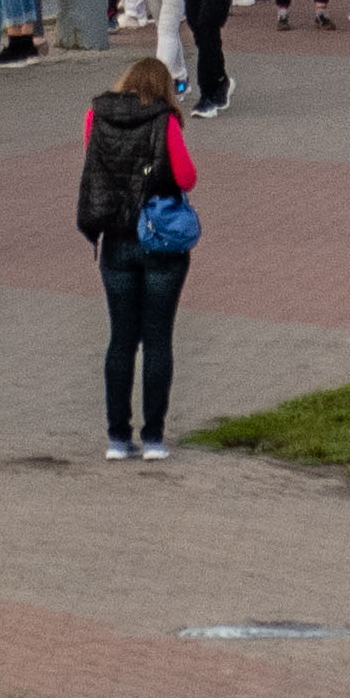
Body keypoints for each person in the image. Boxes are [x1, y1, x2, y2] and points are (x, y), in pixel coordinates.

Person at [74, 56, 199, 462]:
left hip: (116, 238)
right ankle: (154, 438)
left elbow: (93, 162)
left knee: (121, 338)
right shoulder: (165, 120)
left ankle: (116, 436)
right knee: (158, 338)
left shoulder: (97, 115)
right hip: (159, 239)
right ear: (163, 88)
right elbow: (185, 177)